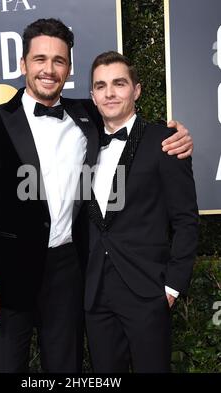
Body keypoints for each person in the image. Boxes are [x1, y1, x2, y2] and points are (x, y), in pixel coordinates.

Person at [0, 19, 193, 373]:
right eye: (40, 59)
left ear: (68, 68)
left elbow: (126, 121)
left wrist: (174, 133)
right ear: (24, 64)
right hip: (8, 277)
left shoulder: (86, 114)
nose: (48, 70)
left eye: (58, 61)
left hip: (68, 275)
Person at [85, 51, 199, 373]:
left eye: (119, 84)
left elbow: (186, 220)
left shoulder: (165, 141)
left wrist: (172, 287)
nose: (110, 93)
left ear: (136, 90)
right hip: (95, 294)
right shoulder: (84, 145)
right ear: (92, 95)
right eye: (101, 86)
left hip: (147, 291)